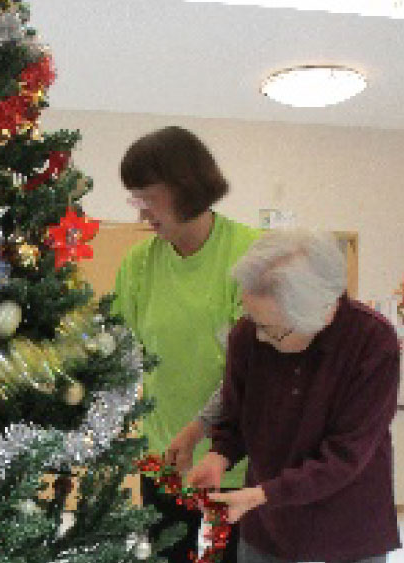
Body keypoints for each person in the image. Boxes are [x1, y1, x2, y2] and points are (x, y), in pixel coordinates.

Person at [188, 229, 401, 563]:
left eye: (272, 329)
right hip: (268, 530)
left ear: (323, 314)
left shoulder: (373, 343)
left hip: (347, 532)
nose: (257, 337)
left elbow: (346, 454)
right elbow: (235, 417)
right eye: (253, 320)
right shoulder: (249, 334)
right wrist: (219, 455)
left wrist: (263, 494)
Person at [112, 126, 261, 560]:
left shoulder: (249, 256)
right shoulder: (139, 264)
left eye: (147, 198)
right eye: (134, 200)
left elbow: (249, 372)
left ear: (184, 188)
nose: (141, 214)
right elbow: (121, 352)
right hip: (164, 461)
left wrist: (201, 431)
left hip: (233, 463)